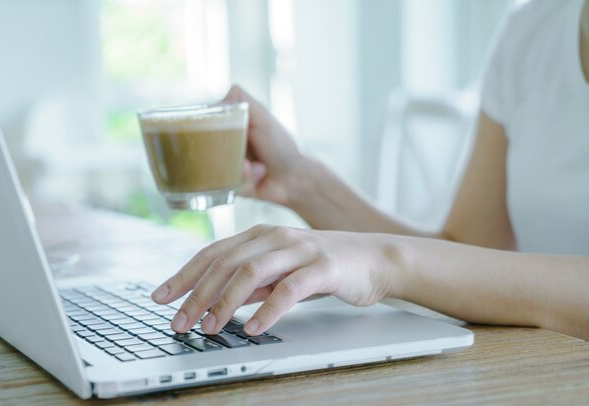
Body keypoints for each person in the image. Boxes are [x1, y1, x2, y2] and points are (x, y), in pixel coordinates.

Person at [152, 0, 589, 340]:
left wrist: (386, 263)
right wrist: (301, 183)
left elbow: (431, 266)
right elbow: (471, 258)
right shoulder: (533, 28)